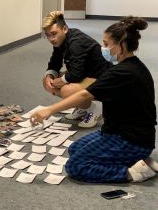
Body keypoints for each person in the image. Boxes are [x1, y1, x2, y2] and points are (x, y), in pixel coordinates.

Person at [31, 16, 157, 183]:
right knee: (74, 149)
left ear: (121, 46)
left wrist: (49, 110)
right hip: (117, 131)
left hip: (131, 140)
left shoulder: (122, 73)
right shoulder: (132, 66)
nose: (102, 48)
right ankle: (139, 160)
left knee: (75, 166)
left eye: (106, 44)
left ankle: (132, 173)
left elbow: (84, 94)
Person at [42, 11, 110, 128]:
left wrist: (60, 81)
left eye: (54, 34)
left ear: (65, 29)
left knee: (66, 91)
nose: (51, 39)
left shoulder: (76, 43)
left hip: (101, 78)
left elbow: (75, 75)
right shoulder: (60, 40)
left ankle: (95, 108)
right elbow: (55, 63)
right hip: (85, 74)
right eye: (47, 35)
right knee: (47, 82)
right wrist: (50, 77)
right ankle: (83, 106)